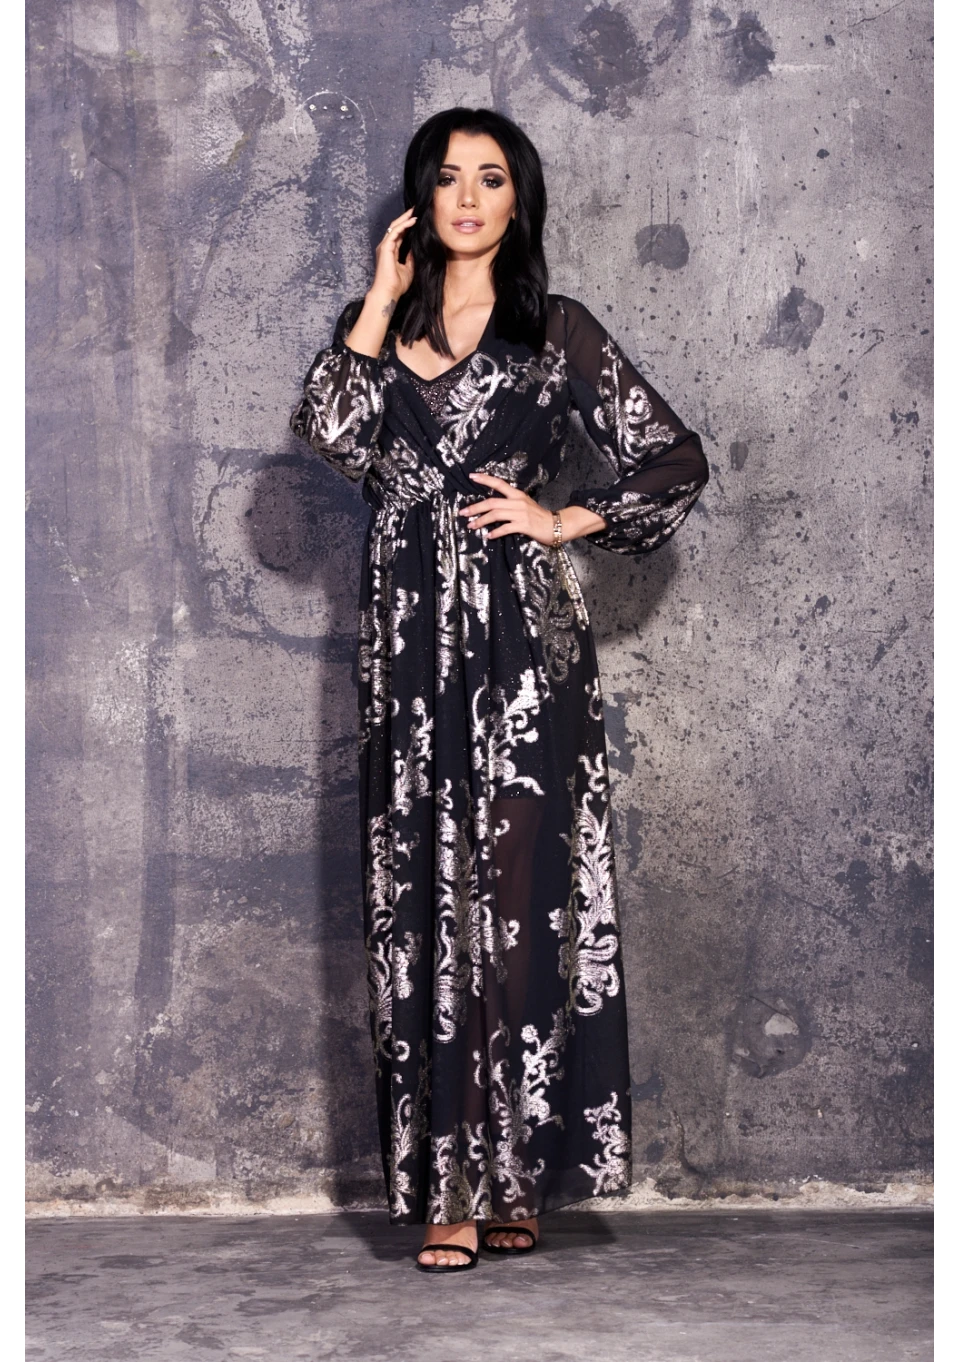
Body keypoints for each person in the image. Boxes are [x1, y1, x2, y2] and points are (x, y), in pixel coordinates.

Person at [290, 107, 708, 1273]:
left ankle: (516, 1179)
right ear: (419, 199)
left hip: (526, 653)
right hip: (406, 657)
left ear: (519, 200)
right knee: (420, 901)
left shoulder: (555, 330)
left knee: (521, 905)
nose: (467, 199)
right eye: (446, 178)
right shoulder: (376, 333)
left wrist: (565, 517)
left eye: (490, 179)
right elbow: (328, 435)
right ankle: (448, 1192)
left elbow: (673, 459)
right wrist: (379, 297)